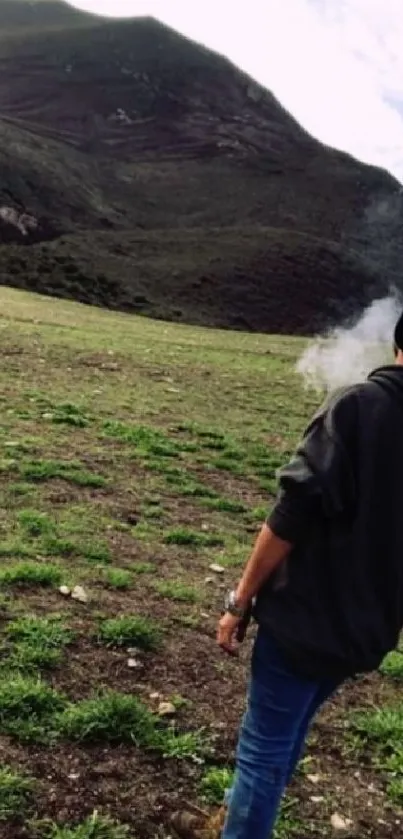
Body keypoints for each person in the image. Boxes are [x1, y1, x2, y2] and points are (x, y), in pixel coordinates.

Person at [172, 312, 403, 839]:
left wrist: (239, 600)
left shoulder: (359, 406)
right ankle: (224, 822)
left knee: (261, 752)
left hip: (305, 621)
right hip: (365, 634)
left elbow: (290, 516)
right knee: (284, 735)